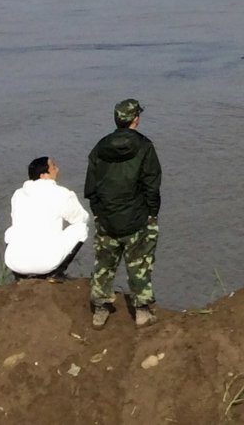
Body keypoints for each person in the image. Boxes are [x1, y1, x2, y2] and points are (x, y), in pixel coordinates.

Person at [84, 97, 161, 328]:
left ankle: (100, 309)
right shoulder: (145, 147)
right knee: (139, 264)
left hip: (107, 218)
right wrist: (152, 213)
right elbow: (152, 185)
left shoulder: (99, 147)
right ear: (136, 119)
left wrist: (99, 213)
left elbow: (91, 188)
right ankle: (141, 311)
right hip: (137, 218)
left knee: (104, 264)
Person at [4, 156, 89, 279]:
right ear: (43, 175)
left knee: (11, 230)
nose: (57, 169)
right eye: (54, 167)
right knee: (81, 227)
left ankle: (19, 275)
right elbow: (81, 218)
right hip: (45, 262)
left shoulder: (18, 194)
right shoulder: (60, 193)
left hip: (14, 262)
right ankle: (55, 273)